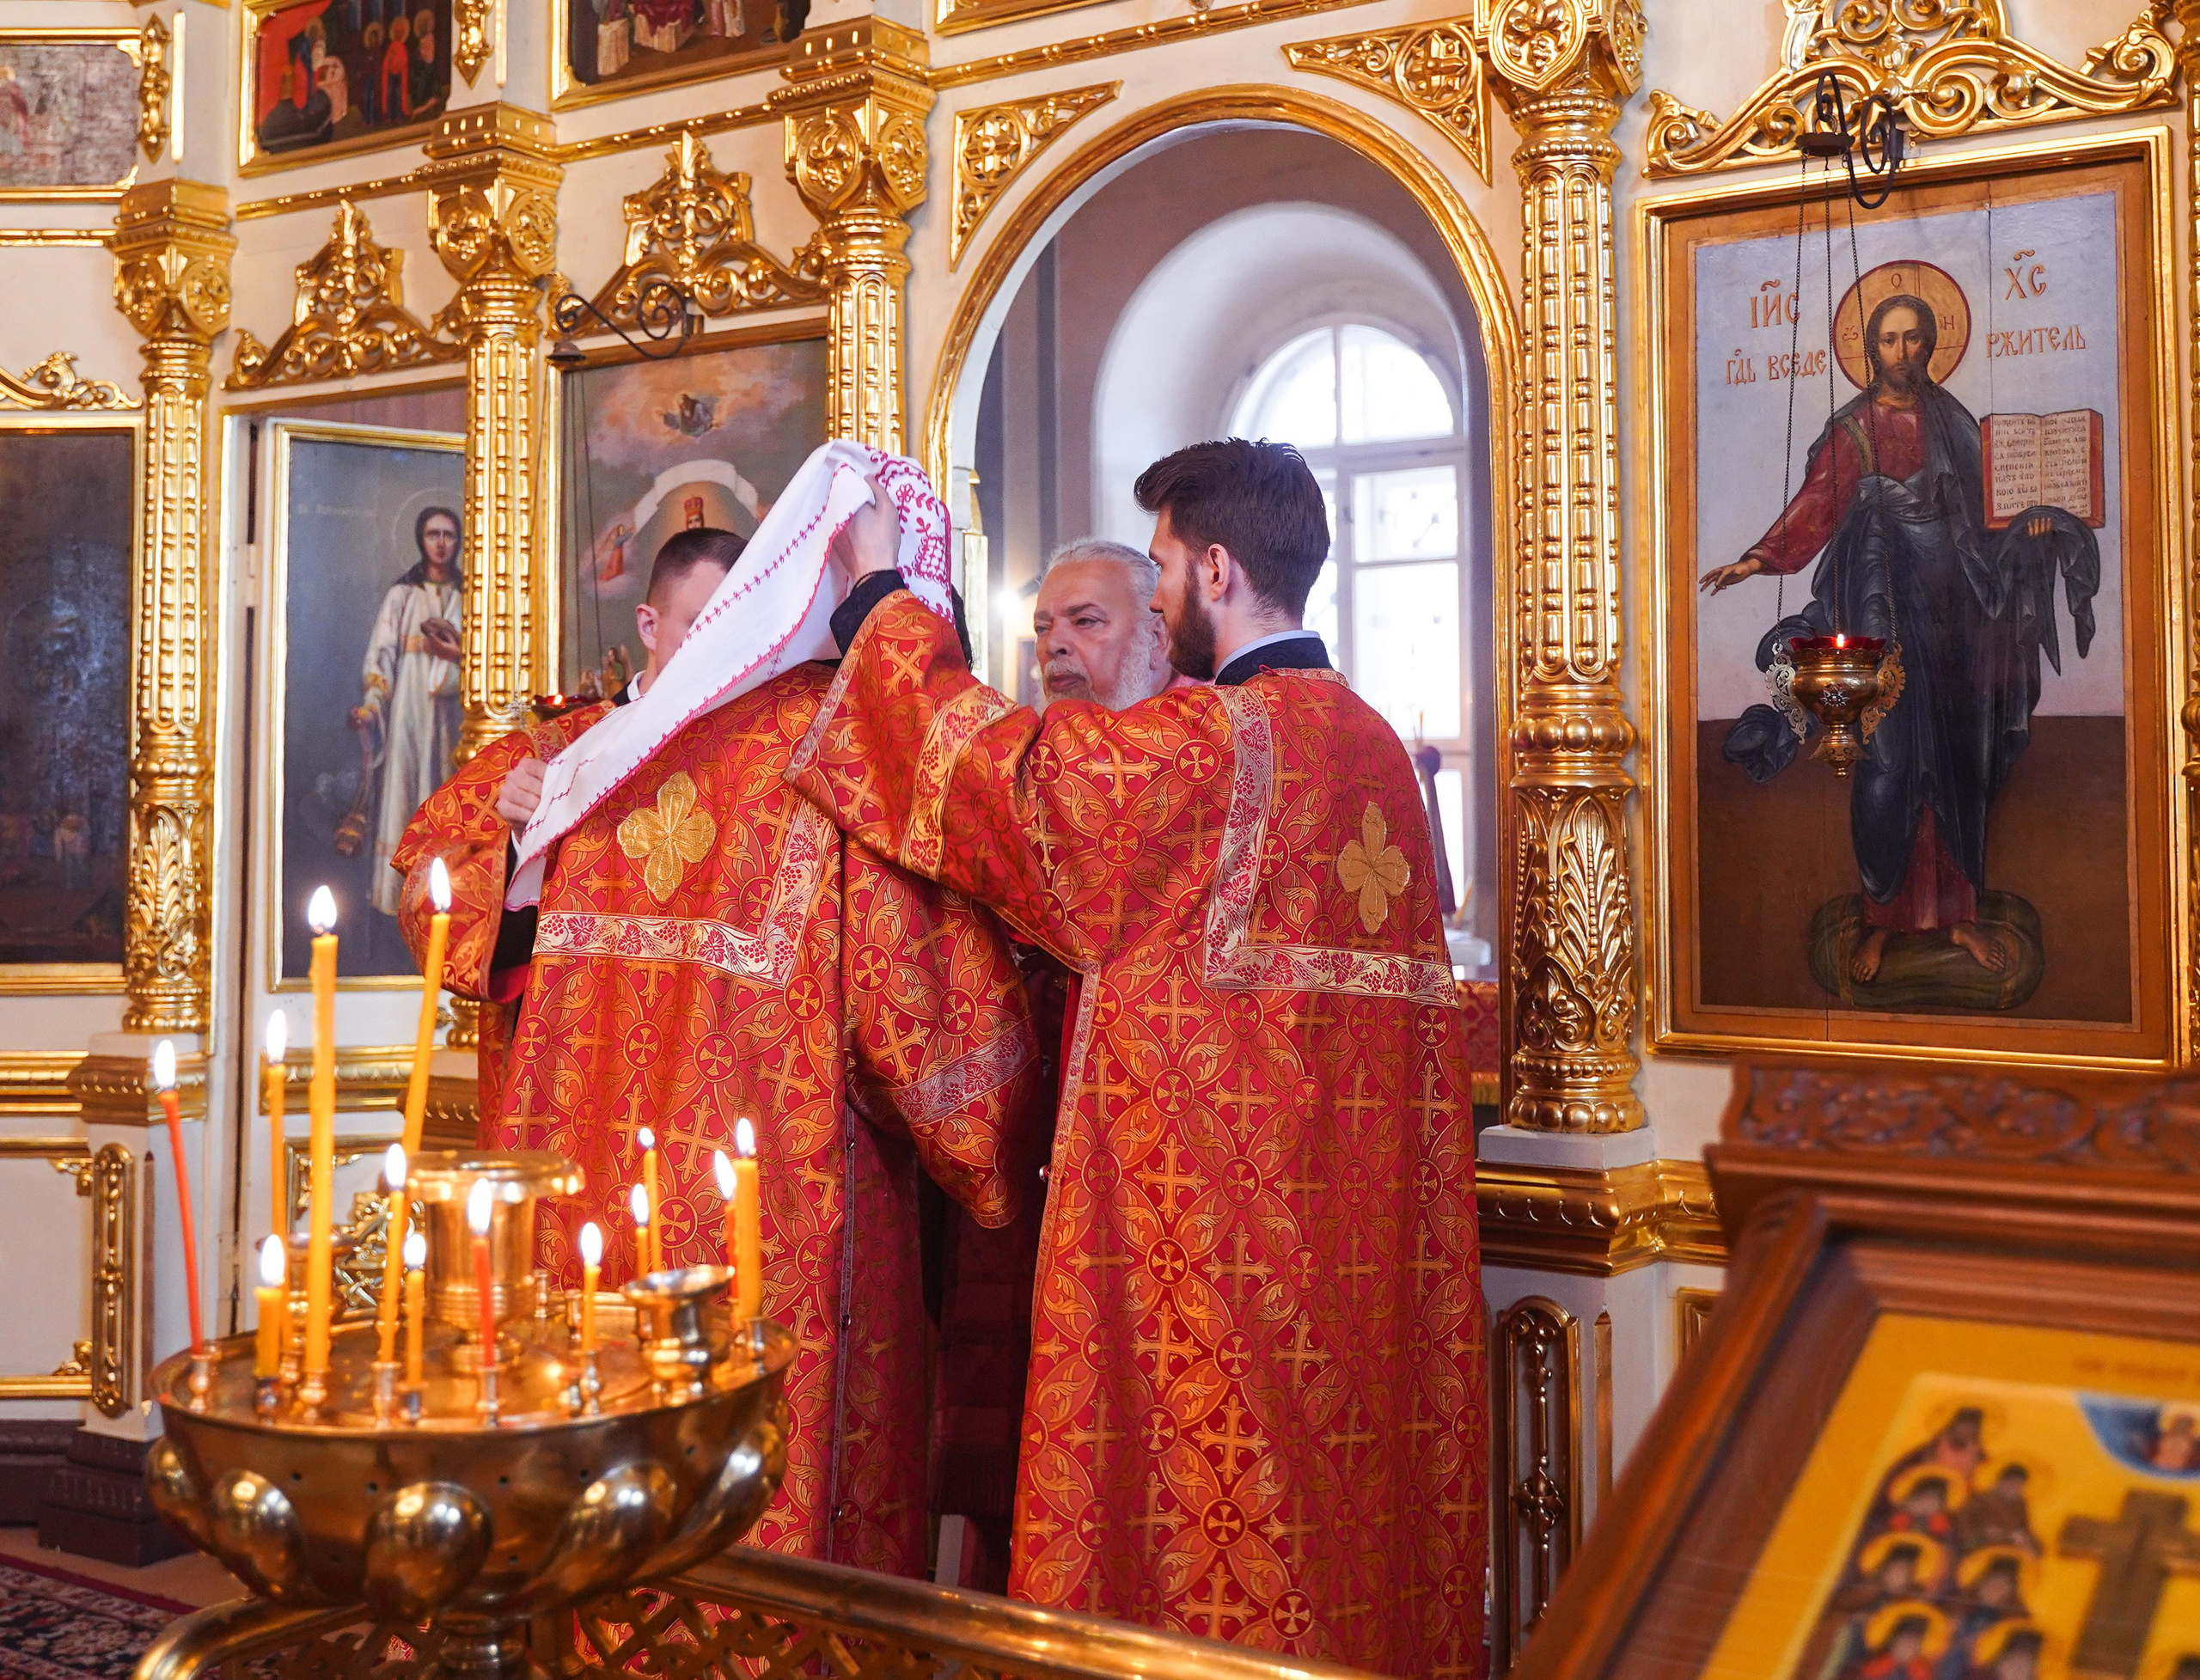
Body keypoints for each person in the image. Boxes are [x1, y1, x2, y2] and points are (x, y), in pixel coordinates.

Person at [788, 439, 1482, 1671]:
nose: (1159, 598)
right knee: (1344, 1554)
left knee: (1210, 1561)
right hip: (1366, 1265)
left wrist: (880, 601)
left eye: (1160, 568)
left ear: (1215, 569)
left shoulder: (1212, 742)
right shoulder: (1373, 745)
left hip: (1211, 1262)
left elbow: (1004, 781)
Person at [391, 527, 1043, 1576]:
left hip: (744, 1207)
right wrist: (518, 845)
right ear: (649, 624)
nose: (725, 652)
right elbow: (431, 908)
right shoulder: (560, 757)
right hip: (616, 1200)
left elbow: (902, 975)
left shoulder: (811, 760)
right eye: (702, 626)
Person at [1702, 293, 2100, 987]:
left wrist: (2031, 524)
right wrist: (1758, 559)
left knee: (1955, 759)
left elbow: (1991, 514)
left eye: (1914, 338)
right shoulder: (1855, 429)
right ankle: (1882, 918)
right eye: (1889, 340)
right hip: (1884, 605)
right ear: (1870, 348)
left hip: (1955, 613)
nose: (1902, 352)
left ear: (1932, 345)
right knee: (1888, 760)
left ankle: (1958, 915)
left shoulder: (1954, 422)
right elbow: (1816, 506)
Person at [353, 506, 462, 918]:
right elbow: (380, 657)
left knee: (446, 787)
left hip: (454, 716)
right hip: (408, 713)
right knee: (406, 788)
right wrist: (372, 703)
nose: (441, 543)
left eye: (449, 535)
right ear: (420, 539)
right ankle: (402, 897)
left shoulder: (470, 596)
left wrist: (457, 655)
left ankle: (449, 895)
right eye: (433, 534)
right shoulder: (402, 595)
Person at [1031, 539, 1179, 711]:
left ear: (1156, 639)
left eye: (1085, 621)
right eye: (1042, 628)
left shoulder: (1203, 721)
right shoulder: (1020, 727)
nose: (1052, 645)